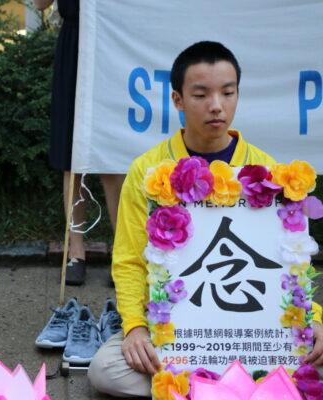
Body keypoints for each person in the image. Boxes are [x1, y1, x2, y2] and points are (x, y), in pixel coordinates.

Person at [87, 41, 323, 397]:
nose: (217, 106)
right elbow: (129, 260)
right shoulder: (147, 171)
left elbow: (291, 265)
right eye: (201, 94)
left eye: (228, 93)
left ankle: (209, 387)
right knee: (105, 370)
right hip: (178, 334)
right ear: (178, 100)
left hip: (254, 335)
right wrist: (135, 327)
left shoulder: (270, 173)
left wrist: (314, 320)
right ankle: (229, 386)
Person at [34, 0, 125, 286]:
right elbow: (40, 4)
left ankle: (122, 255)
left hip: (114, 44)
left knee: (112, 158)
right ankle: (76, 252)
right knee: (71, 157)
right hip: (74, 45)